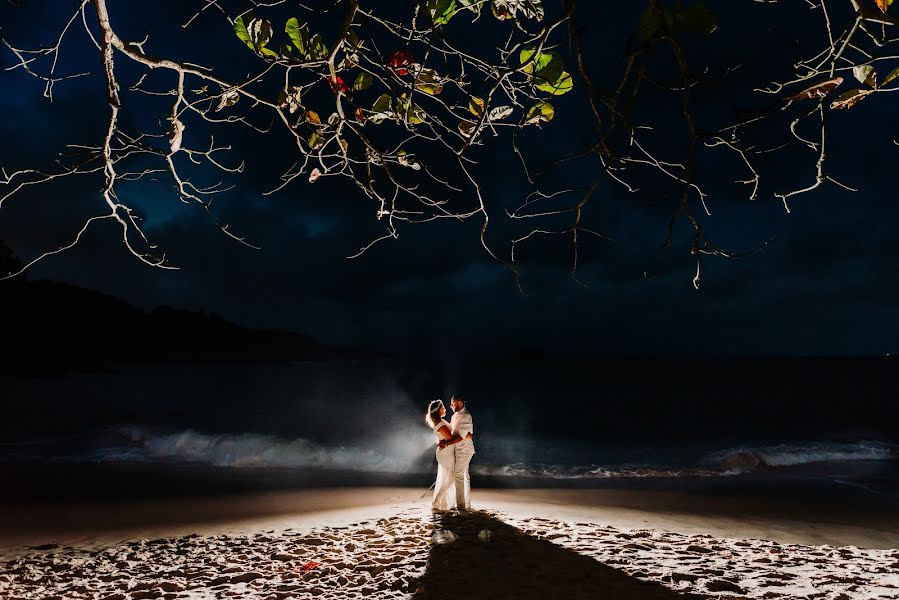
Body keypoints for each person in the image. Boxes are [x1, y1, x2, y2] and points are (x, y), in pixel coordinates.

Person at [438, 395, 475, 512]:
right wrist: (442, 440)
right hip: (457, 450)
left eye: (453, 404)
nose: (451, 406)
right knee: (463, 476)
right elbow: (454, 434)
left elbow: (461, 437)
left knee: (459, 475)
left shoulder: (466, 416)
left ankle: (461, 506)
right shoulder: (454, 416)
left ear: (459, 403)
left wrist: (447, 443)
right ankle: (465, 504)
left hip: (465, 450)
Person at [425, 399, 456, 511]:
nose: (445, 409)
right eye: (443, 407)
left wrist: (440, 441)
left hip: (445, 452)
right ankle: (437, 502)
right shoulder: (440, 424)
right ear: (438, 410)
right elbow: (451, 439)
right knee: (451, 479)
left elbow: (443, 438)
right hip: (446, 453)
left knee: (448, 478)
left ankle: (442, 503)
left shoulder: (440, 422)